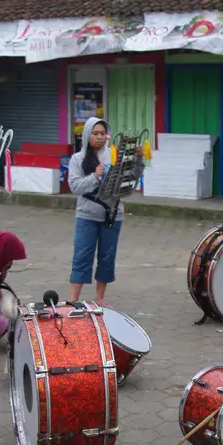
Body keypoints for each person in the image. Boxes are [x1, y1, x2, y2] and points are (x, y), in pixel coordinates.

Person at [67, 117, 144, 305]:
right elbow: (74, 186)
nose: (100, 137)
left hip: (112, 214)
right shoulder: (78, 158)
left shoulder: (115, 154)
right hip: (87, 214)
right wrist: (95, 176)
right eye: (95, 133)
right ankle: (73, 298)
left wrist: (138, 159)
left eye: (102, 133)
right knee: (82, 255)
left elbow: (132, 176)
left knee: (107, 257)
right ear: (87, 135)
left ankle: (99, 298)